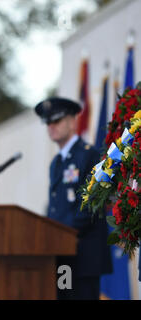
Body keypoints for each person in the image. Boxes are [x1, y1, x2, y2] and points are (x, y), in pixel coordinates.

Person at [35, 97, 112, 300]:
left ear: (72, 121)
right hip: (62, 254)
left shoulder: (90, 156)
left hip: (84, 256)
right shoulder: (56, 163)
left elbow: (91, 204)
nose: (51, 127)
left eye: (56, 121)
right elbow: (55, 208)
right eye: (48, 123)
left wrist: (60, 233)